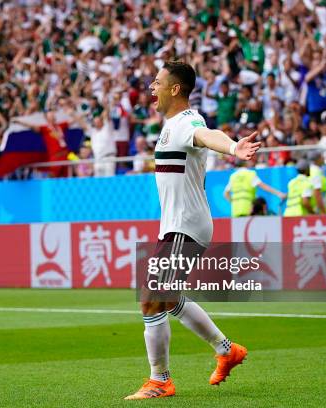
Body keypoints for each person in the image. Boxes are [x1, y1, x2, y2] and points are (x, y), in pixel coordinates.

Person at [125, 61, 259, 400]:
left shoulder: (187, 122)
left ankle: (160, 382)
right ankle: (227, 350)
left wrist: (232, 147)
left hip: (185, 225)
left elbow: (206, 134)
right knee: (167, 299)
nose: (151, 88)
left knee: (150, 300)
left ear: (175, 89)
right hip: (179, 224)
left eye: (157, 82)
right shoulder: (171, 125)